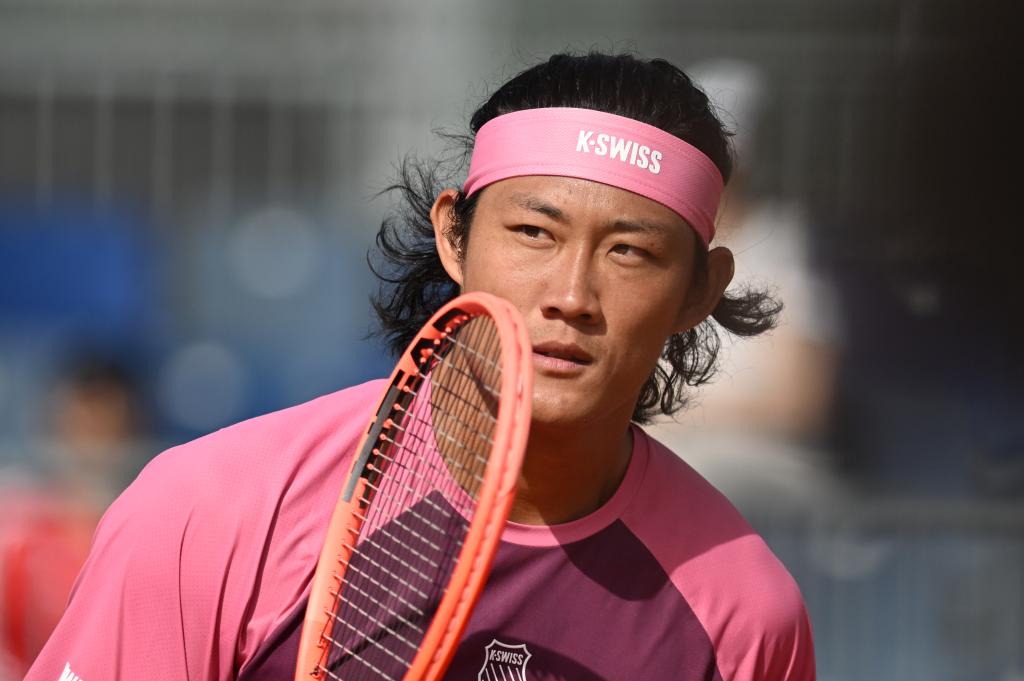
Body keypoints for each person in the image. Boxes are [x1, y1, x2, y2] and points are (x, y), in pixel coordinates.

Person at [27, 52, 815, 680]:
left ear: (699, 291)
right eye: (535, 233)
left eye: (630, 251)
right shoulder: (210, 509)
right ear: (454, 237)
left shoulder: (744, 614)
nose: (573, 296)